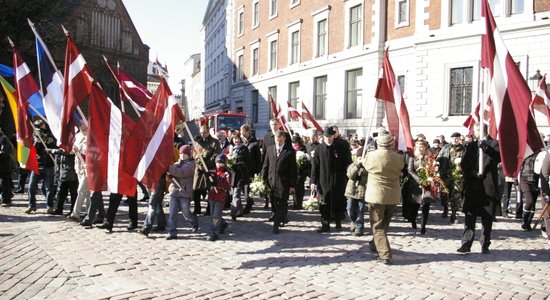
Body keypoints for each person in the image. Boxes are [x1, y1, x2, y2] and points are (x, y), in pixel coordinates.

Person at [457, 124, 500, 254]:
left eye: (477, 130)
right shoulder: (470, 146)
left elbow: (498, 158)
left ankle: (485, 243)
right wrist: (473, 173)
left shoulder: (494, 143)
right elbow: (464, 164)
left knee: (487, 217)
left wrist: (486, 148)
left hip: (488, 184)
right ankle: (466, 243)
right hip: (473, 184)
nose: (475, 133)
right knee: (470, 216)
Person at [363, 132, 404, 265]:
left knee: (378, 226)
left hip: (376, 196)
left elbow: (365, 165)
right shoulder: (398, 157)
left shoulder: (372, 156)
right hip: (392, 195)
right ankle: (376, 244)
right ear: (392, 143)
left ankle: (384, 254)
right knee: (384, 223)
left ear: (378, 143)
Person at [310, 126, 352, 232]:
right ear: (323, 137)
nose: (328, 138)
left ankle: (338, 222)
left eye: (330, 136)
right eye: (326, 136)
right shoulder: (319, 149)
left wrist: (349, 175)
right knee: (324, 203)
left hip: (338, 180)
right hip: (323, 180)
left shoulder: (340, 147)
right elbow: (315, 167)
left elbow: (347, 162)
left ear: (333, 136)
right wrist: (313, 181)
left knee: (338, 201)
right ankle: (325, 224)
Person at [261, 130, 297, 234]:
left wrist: (292, 185)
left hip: (283, 183)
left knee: (282, 203)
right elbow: (265, 165)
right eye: (277, 140)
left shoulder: (290, 151)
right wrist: (262, 179)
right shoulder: (270, 149)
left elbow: (293, 170)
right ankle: (283, 217)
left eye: (281, 140)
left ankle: (276, 225)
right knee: (274, 203)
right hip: (271, 182)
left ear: (284, 139)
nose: (279, 142)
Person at [166, 145, 198, 240]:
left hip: (185, 192)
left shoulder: (192, 164)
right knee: (172, 213)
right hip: (174, 192)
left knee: (186, 212)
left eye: (184, 154)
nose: (182, 155)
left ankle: (193, 221)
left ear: (189, 154)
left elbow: (181, 172)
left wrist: (168, 168)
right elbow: (171, 176)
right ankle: (172, 232)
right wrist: (168, 176)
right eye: (181, 153)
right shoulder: (176, 164)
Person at [26, 120, 57, 214]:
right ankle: (32, 205)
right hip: (37, 165)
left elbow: (54, 147)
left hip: (48, 165)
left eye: (40, 125)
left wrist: (46, 139)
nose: (38, 128)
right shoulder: (35, 137)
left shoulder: (51, 135)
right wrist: (37, 141)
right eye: (36, 126)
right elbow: (34, 150)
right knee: (31, 187)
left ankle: (50, 206)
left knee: (49, 188)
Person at [261, 118, 292, 212]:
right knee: (272, 195)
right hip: (271, 169)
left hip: (283, 169)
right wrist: (263, 171)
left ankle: (282, 215)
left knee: (282, 197)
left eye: (275, 124)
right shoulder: (266, 137)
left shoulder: (285, 135)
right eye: (271, 125)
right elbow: (264, 154)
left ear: (279, 125)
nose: (273, 126)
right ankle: (274, 213)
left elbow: (289, 151)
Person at [406, 139, 435, 234]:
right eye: (418, 147)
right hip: (416, 185)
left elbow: (433, 168)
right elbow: (410, 170)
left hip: (427, 184)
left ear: (425, 147)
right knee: (415, 205)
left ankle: (423, 226)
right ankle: (413, 220)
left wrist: (429, 178)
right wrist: (419, 180)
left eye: (421, 146)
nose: (419, 148)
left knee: (426, 205)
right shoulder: (413, 157)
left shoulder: (430, 157)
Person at [192, 125, 221, 215]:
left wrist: (207, 164)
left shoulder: (214, 142)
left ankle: (209, 210)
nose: (202, 134)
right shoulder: (198, 142)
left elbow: (216, 155)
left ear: (208, 132)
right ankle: (197, 209)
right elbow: (194, 153)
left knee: (210, 190)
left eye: (204, 132)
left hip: (209, 169)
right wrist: (198, 161)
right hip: (199, 169)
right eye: (201, 133)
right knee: (195, 189)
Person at [437, 132, 465, 223]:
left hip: (458, 176)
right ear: (451, 138)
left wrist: (462, 164)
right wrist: (437, 163)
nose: (455, 139)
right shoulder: (446, 147)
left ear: (459, 139)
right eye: (453, 138)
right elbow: (439, 157)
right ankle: (445, 208)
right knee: (444, 194)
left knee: (456, 195)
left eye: (457, 138)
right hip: (445, 175)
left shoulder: (464, 149)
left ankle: (454, 214)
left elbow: (468, 161)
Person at [206, 154, 232, 241]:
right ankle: (223, 223)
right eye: (218, 162)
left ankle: (214, 232)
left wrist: (217, 183)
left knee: (216, 215)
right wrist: (206, 174)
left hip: (220, 196)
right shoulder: (212, 171)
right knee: (213, 214)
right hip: (212, 195)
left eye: (221, 163)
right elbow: (207, 177)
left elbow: (228, 185)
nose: (219, 164)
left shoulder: (227, 173)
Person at [344, 151, 368, 236]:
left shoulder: (367, 167)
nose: (360, 159)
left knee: (360, 210)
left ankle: (359, 227)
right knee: (350, 208)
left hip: (362, 191)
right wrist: (357, 166)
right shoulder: (352, 165)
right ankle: (353, 221)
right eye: (359, 157)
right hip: (352, 190)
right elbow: (350, 175)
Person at [228, 132, 250, 221]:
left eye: (237, 138)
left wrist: (236, 163)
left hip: (241, 174)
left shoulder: (244, 149)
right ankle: (240, 210)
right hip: (232, 175)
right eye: (234, 139)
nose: (236, 140)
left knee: (236, 193)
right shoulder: (231, 149)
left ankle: (233, 212)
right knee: (234, 193)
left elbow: (246, 162)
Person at [240, 124, 261, 214]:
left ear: (248, 132)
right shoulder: (241, 142)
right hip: (241, 169)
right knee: (241, 187)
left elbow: (258, 158)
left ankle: (248, 205)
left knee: (247, 188)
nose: (242, 135)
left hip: (250, 169)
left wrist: (258, 171)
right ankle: (249, 201)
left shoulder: (254, 143)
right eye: (241, 133)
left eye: (244, 133)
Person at [52, 148, 78, 215]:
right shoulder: (60, 150)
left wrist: (55, 151)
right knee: (61, 194)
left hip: (73, 175)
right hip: (63, 174)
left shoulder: (72, 147)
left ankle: (73, 211)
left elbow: (68, 152)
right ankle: (58, 209)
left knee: (74, 195)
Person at [519, 152, 540, 231]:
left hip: (536, 182)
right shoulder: (525, 154)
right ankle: (524, 221)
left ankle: (528, 223)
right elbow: (518, 168)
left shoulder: (540, 155)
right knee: (529, 201)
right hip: (525, 180)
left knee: (533, 204)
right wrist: (516, 181)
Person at [292, 135, 309, 210]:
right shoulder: (291, 149)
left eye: (295, 142)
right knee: (294, 188)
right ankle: (295, 203)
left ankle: (299, 203)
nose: (294, 144)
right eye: (293, 142)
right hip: (293, 172)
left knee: (300, 188)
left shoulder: (302, 149)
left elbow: (306, 160)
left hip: (301, 172)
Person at [0, 129, 15, 206]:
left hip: (4, 166)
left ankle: (6, 200)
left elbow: (4, 152)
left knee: (4, 183)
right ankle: (8, 194)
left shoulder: (3, 139)